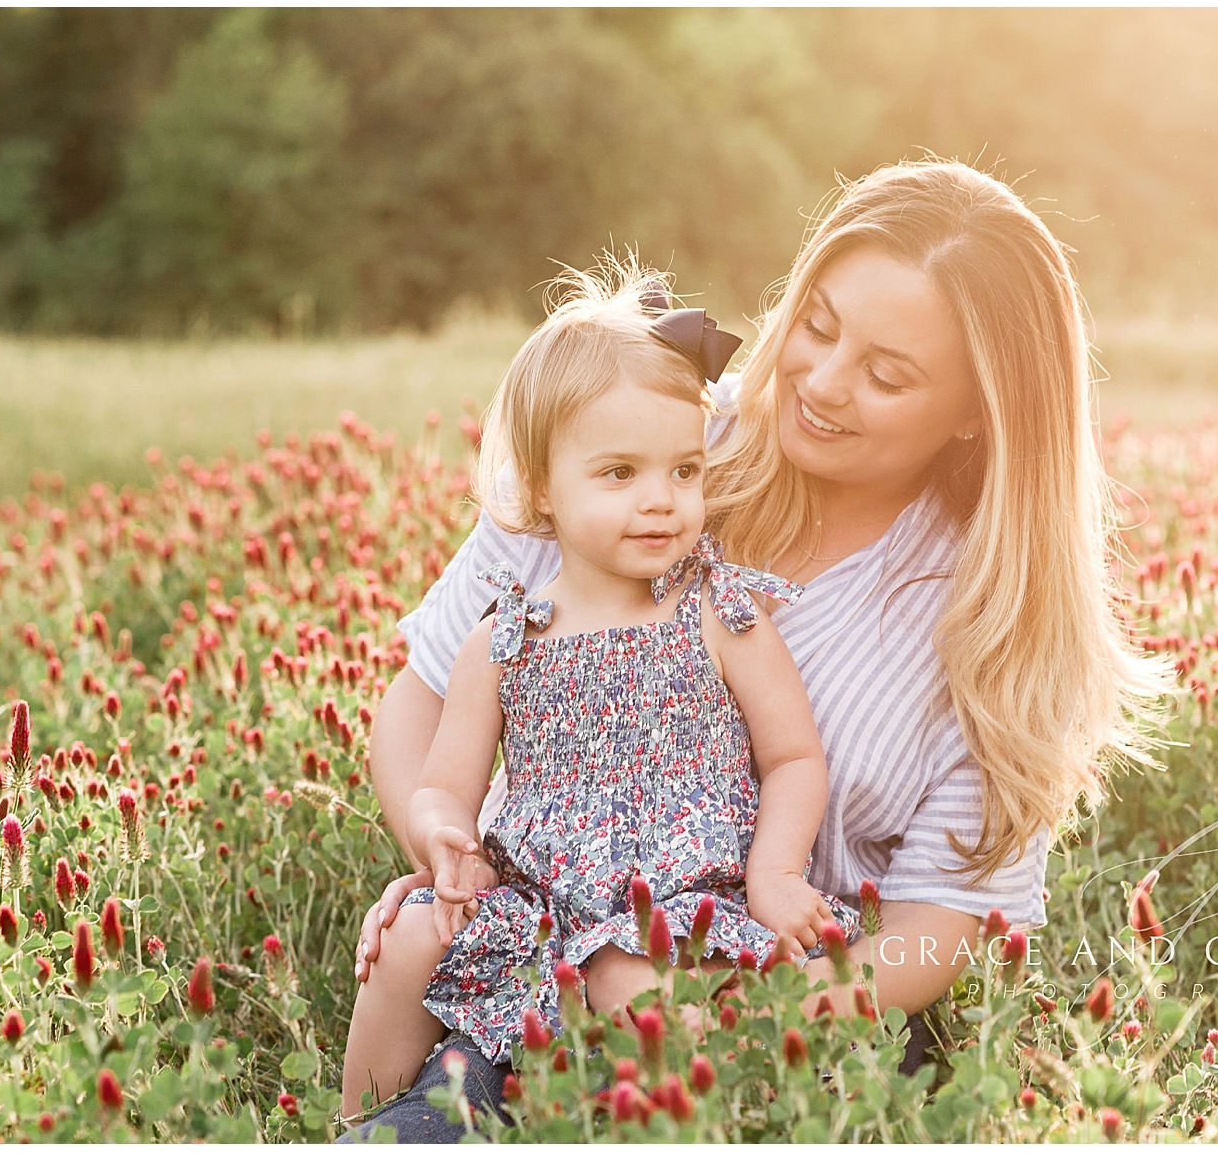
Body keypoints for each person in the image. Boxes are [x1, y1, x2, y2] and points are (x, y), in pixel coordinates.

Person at [364, 164, 1149, 1053]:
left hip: (792, 1021)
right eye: (817, 325)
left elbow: (941, 932)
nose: (820, 382)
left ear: (978, 412)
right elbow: (423, 697)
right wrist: (451, 868)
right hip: (527, 945)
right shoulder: (637, 428)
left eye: (887, 376)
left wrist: (737, 1019)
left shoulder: (992, 617)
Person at [337, 286, 832, 1137]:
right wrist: (441, 843)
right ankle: (360, 1125)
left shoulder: (719, 614)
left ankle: (660, 1136)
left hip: (677, 908)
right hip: (535, 905)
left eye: (685, 471)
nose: (661, 500)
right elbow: (445, 785)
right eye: (619, 474)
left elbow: (793, 758)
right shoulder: (501, 638)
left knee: (625, 980)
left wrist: (775, 874)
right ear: (539, 489)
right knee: (411, 940)